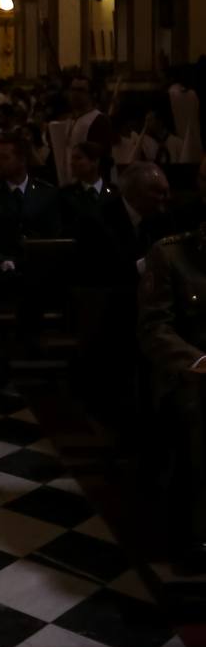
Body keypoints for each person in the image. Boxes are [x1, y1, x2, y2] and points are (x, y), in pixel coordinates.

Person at [0, 131, 62, 386]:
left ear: (21, 161)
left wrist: (28, 260)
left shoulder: (46, 193)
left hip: (34, 265)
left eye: (5, 157)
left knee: (41, 289)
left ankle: (28, 345)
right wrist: (0, 259)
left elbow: (53, 235)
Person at [139, 223, 206, 563]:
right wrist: (197, 361)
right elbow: (155, 329)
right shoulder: (173, 254)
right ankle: (196, 533)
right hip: (190, 371)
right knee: (194, 410)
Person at [59, 141, 116, 231]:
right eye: (72, 158)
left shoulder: (115, 193)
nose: (72, 163)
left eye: (78, 158)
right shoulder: (66, 194)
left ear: (95, 162)